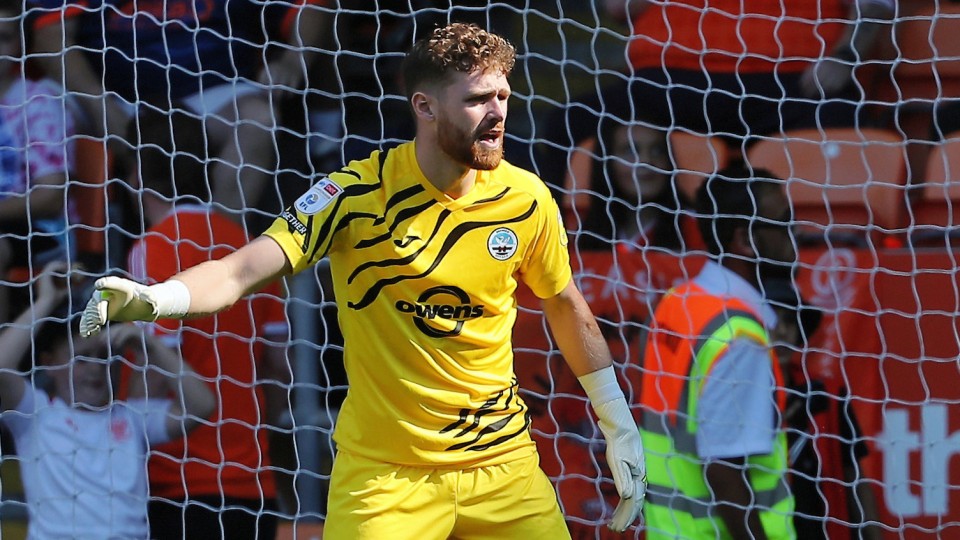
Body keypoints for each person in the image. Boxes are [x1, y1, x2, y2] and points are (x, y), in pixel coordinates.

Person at [78, 23, 647, 538]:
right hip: (386, 480)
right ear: (424, 106)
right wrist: (158, 298)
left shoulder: (527, 198)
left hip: (502, 468)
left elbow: (564, 303)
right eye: (477, 100)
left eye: (502, 95)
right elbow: (241, 268)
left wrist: (616, 419)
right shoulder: (352, 194)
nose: (498, 113)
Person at [123, 106, 292, 539]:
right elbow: (277, 368)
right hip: (254, 482)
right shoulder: (249, 249)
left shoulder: (155, 248)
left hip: (178, 478)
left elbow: (154, 363)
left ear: (137, 173)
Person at [29, 0, 330, 232]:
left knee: (258, 118)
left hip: (215, 89)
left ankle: (216, 245)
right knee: (42, 100)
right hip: (113, 95)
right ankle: (70, 244)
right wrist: (100, 105)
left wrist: (293, 59)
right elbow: (49, 34)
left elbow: (309, 6)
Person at [536, 0, 896, 193]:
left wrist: (845, 56)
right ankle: (558, 250)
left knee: (844, 117)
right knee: (568, 122)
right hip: (670, 82)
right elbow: (619, 7)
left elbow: (877, 6)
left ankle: (826, 248)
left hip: (794, 82)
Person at [0, 262, 215, 539]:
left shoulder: (134, 418)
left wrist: (150, 345)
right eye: (82, 358)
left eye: (104, 357)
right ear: (50, 365)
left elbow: (201, 406)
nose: (95, 368)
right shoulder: (36, 414)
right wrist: (45, 301)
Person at [638, 165, 797, 539]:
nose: (796, 233)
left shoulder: (678, 302)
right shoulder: (742, 338)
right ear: (745, 240)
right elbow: (724, 474)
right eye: (783, 222)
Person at [764, 277, 883, 540]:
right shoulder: (740, 395)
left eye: (789, 322)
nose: (782, 331)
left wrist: (873, 534)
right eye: (772, 321)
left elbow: (855, 478)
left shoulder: (826, 394)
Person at [0, 0, 76, 323]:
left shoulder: (38, 101)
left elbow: (50, 197)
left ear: (19, 45)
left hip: (40, 231)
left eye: (2, 38)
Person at [572, 119, 702, 254]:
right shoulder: (584, 233)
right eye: (631, 151)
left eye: (657, 150)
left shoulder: (695, 228)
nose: (646, 161)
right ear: (608, 163)